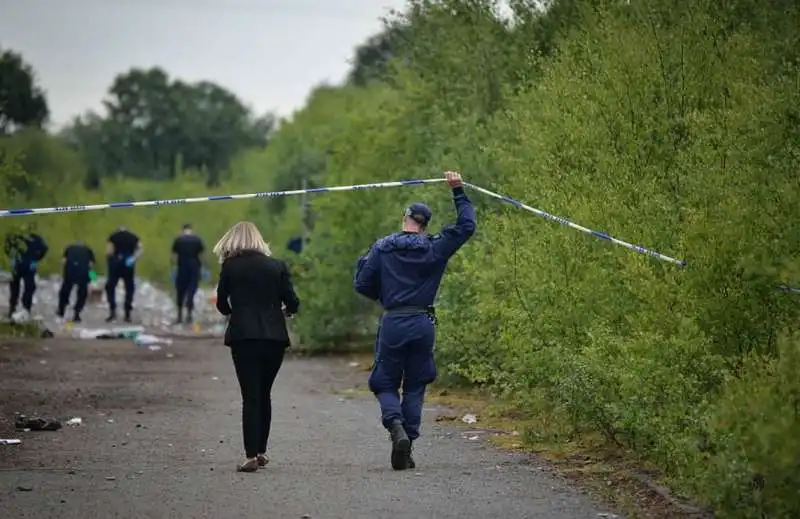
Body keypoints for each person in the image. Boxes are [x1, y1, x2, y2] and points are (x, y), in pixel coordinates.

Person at [353, 171, 476, 471]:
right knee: (416, 383)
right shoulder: (435, 247)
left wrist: (383, 288)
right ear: (424, 224)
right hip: (423, 322)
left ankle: (395, 427)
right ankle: (407, 443)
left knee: (384, 382)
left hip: (394, 321)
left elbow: (361, 284)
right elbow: (466, 226)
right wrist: (458, 190)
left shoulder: (382, 248)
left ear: (404, 218)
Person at [213, 221, 300, 473]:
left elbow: (221, 302)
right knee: (264, 393)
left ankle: (250, 455)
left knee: (250, 395)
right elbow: (292, 301)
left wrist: (234, 313)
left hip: (244, 337)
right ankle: (261, 451)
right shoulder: (276, 265)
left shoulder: (230, 266)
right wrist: (285, 312)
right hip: (274, 337)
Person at [4, 224, 49, 319]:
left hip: (17, 263)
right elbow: (45, 248)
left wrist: (11, 255)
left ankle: (12, 307)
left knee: (14, 287)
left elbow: (7, 247)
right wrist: (37, 258)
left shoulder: (16, 237)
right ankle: (26, 309)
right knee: (29, 287)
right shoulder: (36, 238)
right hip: (30, 265)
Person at [105, 226, 143, 323]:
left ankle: (112, 312)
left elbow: (109, 251)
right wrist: (133, 259)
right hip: (128, 264)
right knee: (129, 288)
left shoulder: (113, 236)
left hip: (116, 263)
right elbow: (140, 250)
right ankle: (127, 314)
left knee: (110, 287)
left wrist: (110, 261)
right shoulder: (134, 237)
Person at [171, 223, 205, 324]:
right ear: (192, 229)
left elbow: (173, 257)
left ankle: (179, 315)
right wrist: (202, 267)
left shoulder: (178, 240)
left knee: (180, 290)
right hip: (194, 266)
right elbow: (201, 255)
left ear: (183, 230)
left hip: (182, 266)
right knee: (192, 288)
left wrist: (174, 266)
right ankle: (189, 314)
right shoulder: (197, 240)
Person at [57, 240, 96, 322]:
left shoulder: (69, 248)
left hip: (70, 272)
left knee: (64, 291)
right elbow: (91, 265)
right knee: (82, 294)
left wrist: (64, 274)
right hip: (83, 273)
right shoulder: (88, 250)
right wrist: (93, 278)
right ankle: (77, 314)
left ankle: (61, 311)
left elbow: (63, 261)